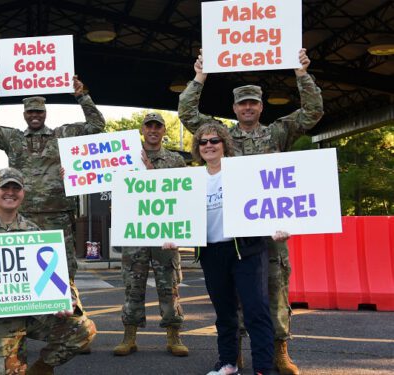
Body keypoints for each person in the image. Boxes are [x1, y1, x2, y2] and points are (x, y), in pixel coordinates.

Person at [178, 48, 323, 375]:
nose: (247, 107)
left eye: (253, 102)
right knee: (232, 300)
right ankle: (234, 356)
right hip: (231, 237)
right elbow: (187, 114)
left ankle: (278, 352)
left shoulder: (277, 132)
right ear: (234, 108)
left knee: (274, 292)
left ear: (260, 106)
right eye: (242, 103)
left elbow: (313, 111)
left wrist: (301, 73)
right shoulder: (222, 136)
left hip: (269, 233)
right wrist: (200, 76)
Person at [0, 168, 97, 375]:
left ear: (23, 193)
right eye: (4, 187)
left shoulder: (33, 230)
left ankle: (41, 368)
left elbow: (56, 272)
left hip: (33, 313)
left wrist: (67, 299)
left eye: (16, 188)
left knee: (83, 329)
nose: (11, 192)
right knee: (3, 372)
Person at [181, 122, 287, 375]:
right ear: (198, 148)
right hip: (212, 252)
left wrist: (281, 225)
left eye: (214, 141)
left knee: (256, 312)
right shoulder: (191, 179)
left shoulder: (244, 171)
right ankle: (228, 363)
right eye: (203, 142)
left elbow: (271, 197)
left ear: (224, 144)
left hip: (246, 251)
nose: (208, 145)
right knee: (224, 314)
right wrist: (171, 235)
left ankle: (263, 368)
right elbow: (178, 213)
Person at [0, 76, 105, 282]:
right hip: (21, 216)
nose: (35, 116)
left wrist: (82, 96)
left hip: (58, 217)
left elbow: (97, 125)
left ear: (45, 113)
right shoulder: (12, 138)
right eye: (30, 112)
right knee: (23, 270)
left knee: (63, 271)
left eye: (39, 111)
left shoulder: (64, 134)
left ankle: (66, 311)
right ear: (24, 115)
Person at [113, 112, 188, 357]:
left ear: (164, 130)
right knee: (133, 287)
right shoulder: (126, 159)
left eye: (158, 126)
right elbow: (107, 183)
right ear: (142, 131)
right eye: (149, 126)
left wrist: (150, 173)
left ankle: (173, 336)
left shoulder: (175, 160)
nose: (153, 130)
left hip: (165, 232)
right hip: (136, 231)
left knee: (169, 286)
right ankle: (129, 336)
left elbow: (183, 194)